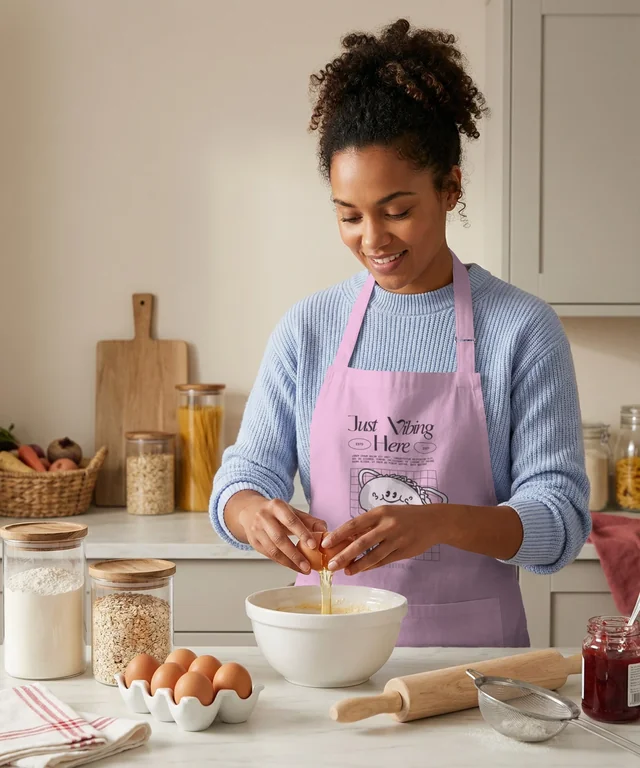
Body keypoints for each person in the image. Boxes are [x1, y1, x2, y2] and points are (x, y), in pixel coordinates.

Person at [209, 19, 590, 647]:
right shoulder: (309, 328)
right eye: (349, 215)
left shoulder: (522, 328)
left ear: (450, 188)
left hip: (473, 670)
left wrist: (440, 522)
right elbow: (242, 477)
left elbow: (559, 522)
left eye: (398, 210)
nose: (374, 239)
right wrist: (251, 512)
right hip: (325, 651)